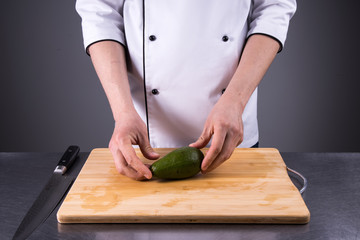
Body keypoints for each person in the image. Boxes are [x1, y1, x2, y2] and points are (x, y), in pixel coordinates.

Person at [75, 0, 296, 180]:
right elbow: (100, 13)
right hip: (143, 142)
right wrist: (123, 113)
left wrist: (235, 100)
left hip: (232, 131)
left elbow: (273, 7)